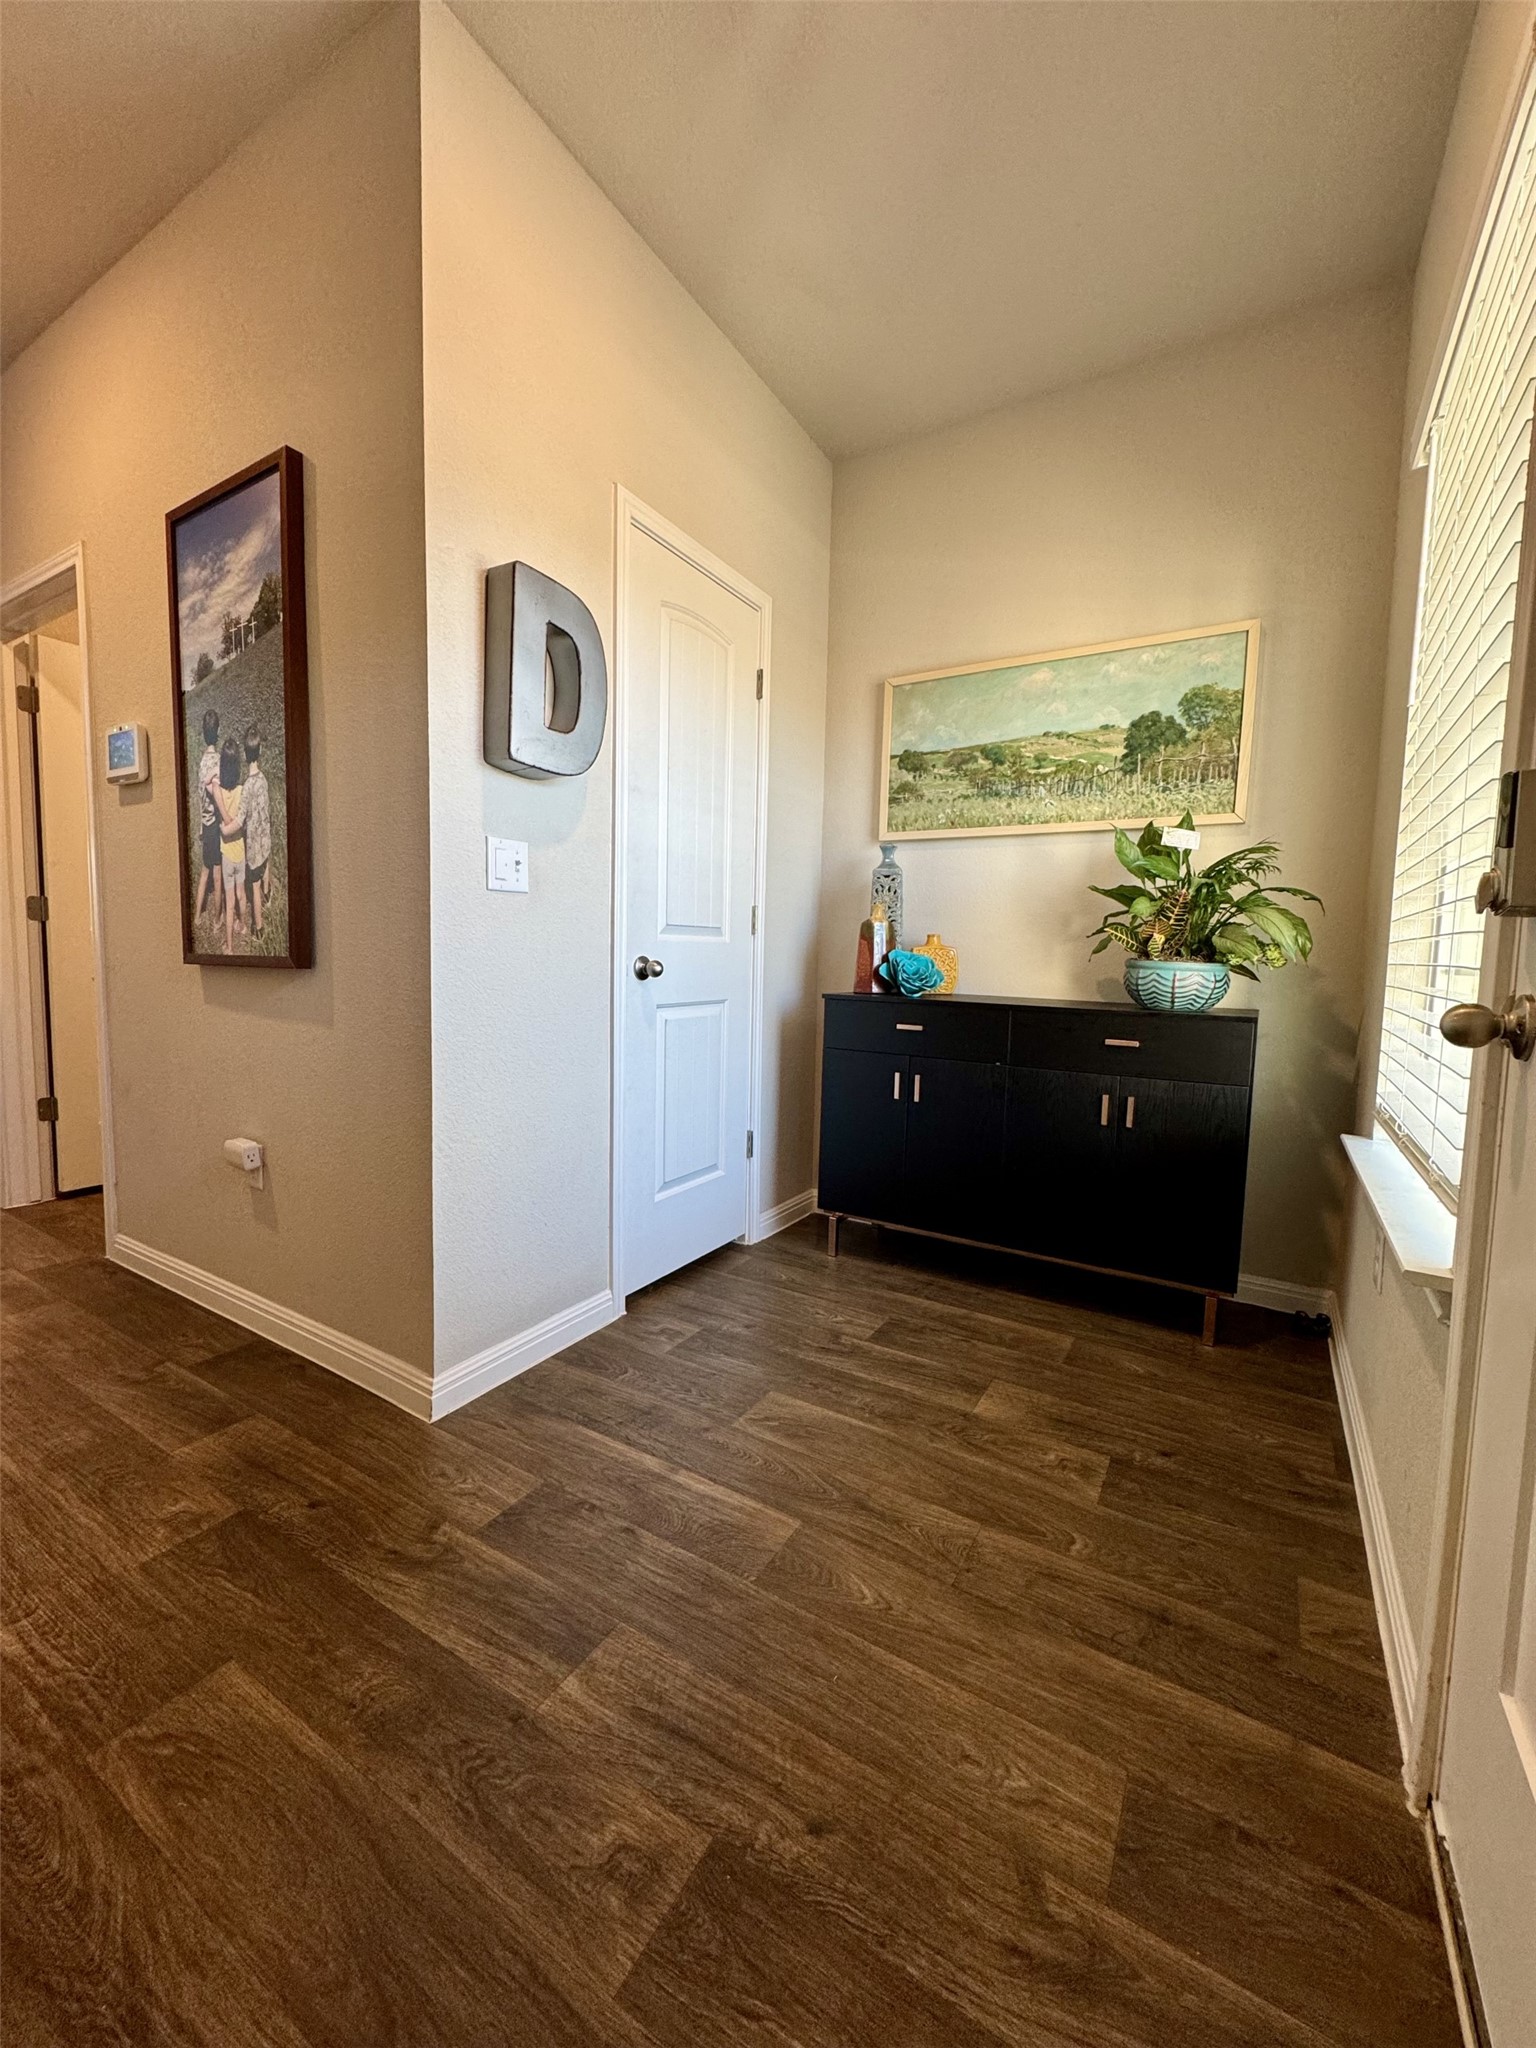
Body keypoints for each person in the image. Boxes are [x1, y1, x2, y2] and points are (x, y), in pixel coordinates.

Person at [213, 735, 246, 956]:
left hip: (226, 853)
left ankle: (229, 946)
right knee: (241, 893)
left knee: (229, 900)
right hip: (241, 851)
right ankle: (243, 925)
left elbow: (211, 782)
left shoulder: (219, 791)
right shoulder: (242, 790)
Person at [194, 708, 224, 924]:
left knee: (204, 871)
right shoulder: (218, 762)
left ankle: (196, 916)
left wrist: (200, 826)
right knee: (217, 871)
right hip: (215, 823)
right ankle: (216, 919)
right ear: (218, 731)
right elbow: (219, 794)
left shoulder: (202, 762)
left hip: (205, 822)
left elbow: (199, 795)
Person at [242, 725, 271, 938]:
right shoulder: (263, 781)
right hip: (265, 838)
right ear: (260, 751)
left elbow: (242, 816)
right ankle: (269, 894)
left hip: (253, 843)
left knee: (254, 884)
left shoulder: (246, 786)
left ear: (245, 754)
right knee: (266, 863)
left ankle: (258, 927)